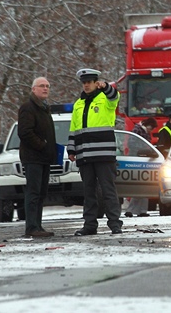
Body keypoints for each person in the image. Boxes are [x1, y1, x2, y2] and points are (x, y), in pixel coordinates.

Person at [68, 68, 123, 235]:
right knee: (89, 192)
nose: (86, 85)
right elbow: (74, 129)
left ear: (95, 82)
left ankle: (115, 224)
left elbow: (115, 96)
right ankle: (89, 225)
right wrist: (71, 149)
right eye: (84, 83)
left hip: (104, 155)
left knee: (108, 190)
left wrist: (105, 86)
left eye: (89, 82)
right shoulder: (78, 104)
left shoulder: (105, 98)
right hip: (84, 156)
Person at [17, 77, 57, 237]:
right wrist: (42, 145)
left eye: (47, 86)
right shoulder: (28, 108)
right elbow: (25, 132)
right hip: (33, 157)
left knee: (41, 193)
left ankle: (38, 226)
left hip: (44, 159)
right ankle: (31, 227)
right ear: (33, 89)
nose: (45, 88)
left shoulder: (44, 108)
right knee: (33, 192)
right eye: (42, 86)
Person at [123, 117, 157, 217]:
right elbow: (133, 145)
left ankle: (140, 210)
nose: (151, 131)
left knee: (143, 186)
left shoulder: (140, 130)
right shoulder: (138, 130)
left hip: (141, 161)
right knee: (140, 186)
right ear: (148, 125)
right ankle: (135, 210)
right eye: (151, 128)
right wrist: (145, 150)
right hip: (138, 161)